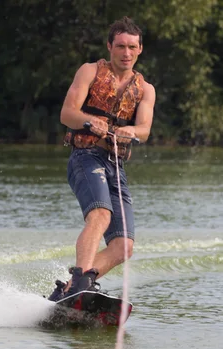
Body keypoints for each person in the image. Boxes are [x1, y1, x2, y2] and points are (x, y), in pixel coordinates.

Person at [48, 16, 156, 301]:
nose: (126, 53)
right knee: (100, 215)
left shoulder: (145, 89)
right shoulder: (89, 72)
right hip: (85, 156)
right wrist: (87, 122)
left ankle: (74, 288)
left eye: (132, 47)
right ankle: (81, 280)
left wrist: (130, 129)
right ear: (110, 46)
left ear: (140, 49)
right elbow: (67, 114)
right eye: (120, 46)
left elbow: (144, 130)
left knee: (123, 246)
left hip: (115, 165)